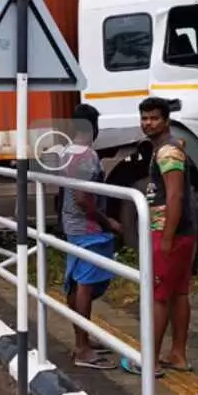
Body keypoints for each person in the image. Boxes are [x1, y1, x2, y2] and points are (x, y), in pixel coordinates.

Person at [121, 97, 198, 377]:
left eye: (153, 118)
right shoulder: (170, 149)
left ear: (166, 120)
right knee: (178, 294)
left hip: (170, 233)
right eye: (144, 118)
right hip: (180, 232)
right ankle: (177, 355)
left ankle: (149, 361)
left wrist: (166, 238)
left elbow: (175, 194)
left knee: (159, 297)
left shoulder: (168, 152)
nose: (147, 123)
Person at [60, 103, 123, 369]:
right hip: (88, 230)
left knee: (76, 284)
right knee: (84, 285)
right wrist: (107, 221)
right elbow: (83, 197)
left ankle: (82, 338)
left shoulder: (65, 153)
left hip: (72, 226)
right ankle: (82, 348)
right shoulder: (87, 156)